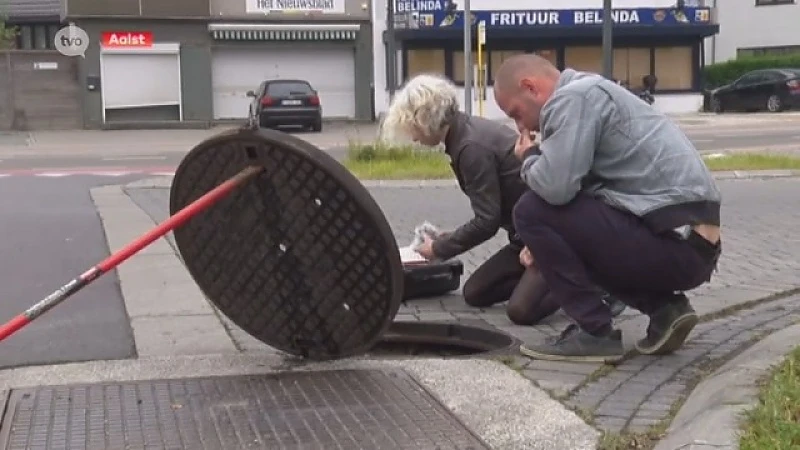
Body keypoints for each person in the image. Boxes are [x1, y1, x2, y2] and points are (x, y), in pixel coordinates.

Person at [492, 54, 722, 363]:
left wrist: (531, 156)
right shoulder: (591, 91)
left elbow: (556, 188)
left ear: (530, 87)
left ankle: (593, 331)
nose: (520, 125)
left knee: (529, 210)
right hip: (691, 245)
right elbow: (581, 198)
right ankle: (666, 309)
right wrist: (548, 243)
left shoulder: (573, 98)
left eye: (516, 113)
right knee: (560, 226)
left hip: (675, 242)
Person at [381, 73, 625, 325]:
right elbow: (490, 212)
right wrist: (449, 237)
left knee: (521, 311)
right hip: (526, 237)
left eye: (412, 127)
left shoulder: (470, 147)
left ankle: (593, 279)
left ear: (425, 118)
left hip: (553, 235)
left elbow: (487, 221)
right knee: (475, 293)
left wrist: (438, 249)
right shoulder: (465, 134)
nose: (413, 137)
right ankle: (551, 277)